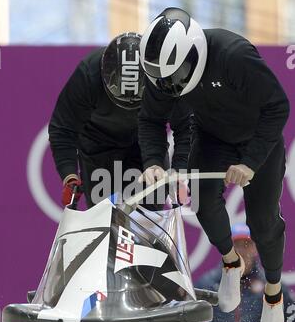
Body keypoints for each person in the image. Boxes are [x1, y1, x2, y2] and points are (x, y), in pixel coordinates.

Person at [138, 8, 290, 322]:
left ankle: (274, 292)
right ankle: (230, 262)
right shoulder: (164, 76)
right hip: (213, 137)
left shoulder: (234, 56)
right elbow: (150, 120)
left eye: (174, 77)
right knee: (204, 203)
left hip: (257, 140)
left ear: (193, 52)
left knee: (263, 223)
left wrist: (251, 162)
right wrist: (152, 161)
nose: (169, 87)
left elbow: (278, 106)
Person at [48, 32, 191, 209]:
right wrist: (69, 175)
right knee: (104, 217)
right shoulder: (87, 75)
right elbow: (62, 129)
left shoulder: (163, 76)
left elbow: (186, 127)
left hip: (147, 146)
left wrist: (179, 171)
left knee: (150, 216)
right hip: (98, 147)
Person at [195, 224, 294, 322]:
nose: (242, 250)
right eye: (237, 244)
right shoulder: (205, 284)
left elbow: (292, 320)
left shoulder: (271, 285)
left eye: (247, 244)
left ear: (256, 248)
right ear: (227, 249)